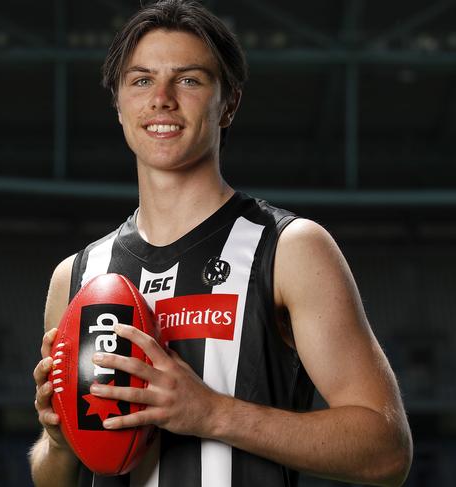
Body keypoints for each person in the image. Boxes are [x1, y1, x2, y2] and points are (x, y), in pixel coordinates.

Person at [30, 1, 413, 486]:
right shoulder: (77, 275)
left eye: (189, 79)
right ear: (119, 104)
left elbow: (385, 450)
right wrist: (61, 442)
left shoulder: (291, 249)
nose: (162, 99)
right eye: (141, 80)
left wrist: (212, 414)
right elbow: (53, 478)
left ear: (228, 103)